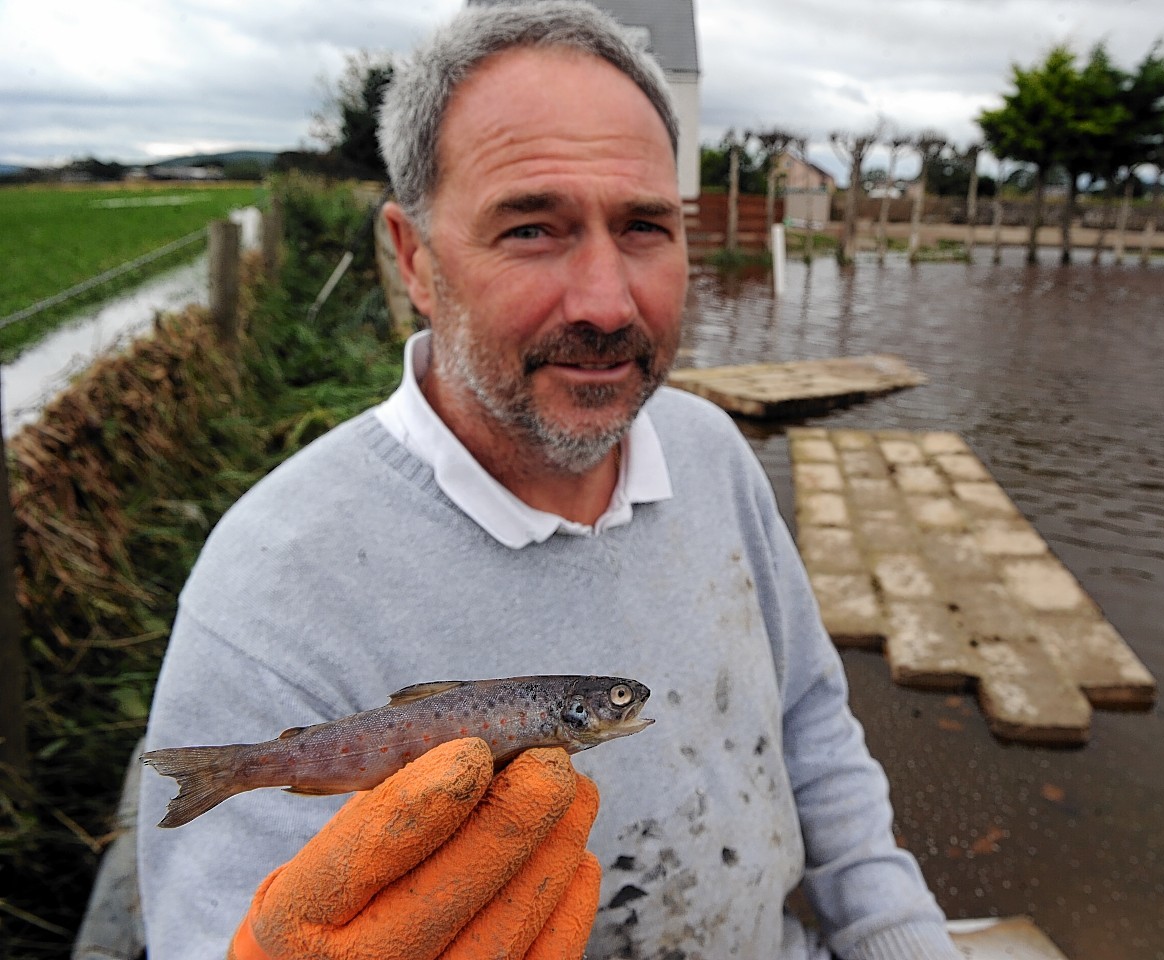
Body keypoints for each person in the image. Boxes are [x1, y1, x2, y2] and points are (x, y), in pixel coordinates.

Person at [137, 2, 959, 958]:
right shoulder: (268, 583)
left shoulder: (711, 450)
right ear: (414, 258)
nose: (608, 302)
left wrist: (901, 938)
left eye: (646, 225)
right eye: (532, 228)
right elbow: (214, 927)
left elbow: (813, 729)